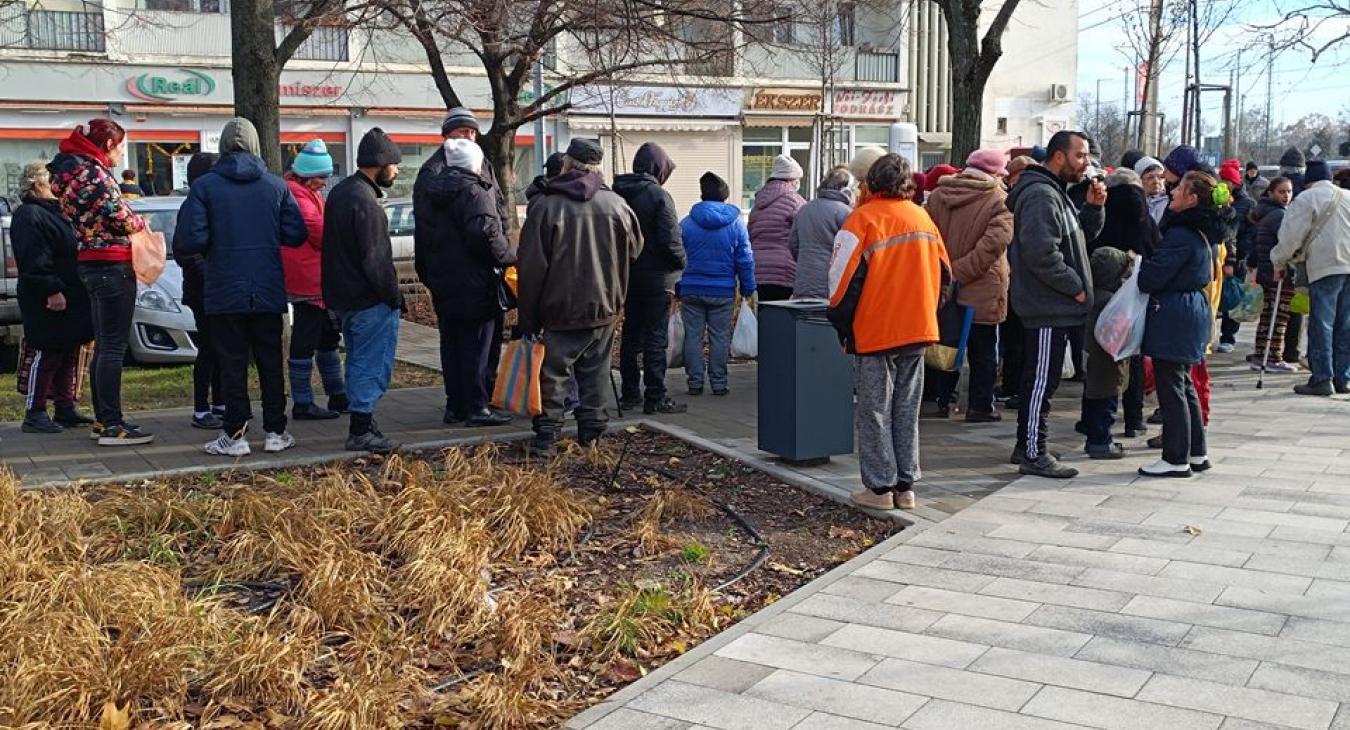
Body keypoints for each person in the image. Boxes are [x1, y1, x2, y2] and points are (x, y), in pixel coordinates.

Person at [175, 118, 308, 456]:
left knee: (231, 363)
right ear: (256, 145)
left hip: (224, 288)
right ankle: (276, 431)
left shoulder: (205, 187)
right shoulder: (276, 186)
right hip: (266, 286)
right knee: (270, 361)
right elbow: (296, 234)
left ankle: (235, 435)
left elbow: (190, 239)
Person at [827, 153, 950, 512]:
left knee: (874, 410)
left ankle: (879, 488)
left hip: (875, 330)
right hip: (918, 327)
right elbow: (945, 277)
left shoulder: (861, 221)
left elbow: (839, 287)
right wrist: (928, 313)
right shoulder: (923, 219)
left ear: (870, 182)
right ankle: (905, 486)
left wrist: (842, 325)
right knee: (907, 410)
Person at [519, 138, 643, 453]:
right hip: (604, 304)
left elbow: (532, 267)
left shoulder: (544, 206)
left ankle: (546, 438)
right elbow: (635, 249)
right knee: (596, 372)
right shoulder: (617, 204)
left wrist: (527, 318)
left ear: (567, 165)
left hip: (558, 307)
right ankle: (592, 438)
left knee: (554, 373)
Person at [1007, 130, 1105, 478]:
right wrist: (1076, 287)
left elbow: (1078, 240)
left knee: (1042, 380)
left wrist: (1093, 209)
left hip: (1054, 303)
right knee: (1040, 382)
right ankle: (1034, 451)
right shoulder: (1040, 195)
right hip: (1047, 304)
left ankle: (1028, 443)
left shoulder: (1055, 194)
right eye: (1080, 156)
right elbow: (1041, 253)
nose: (1086, 164)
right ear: (1059, 156)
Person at [48, 119, 153, 446]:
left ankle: (103, 418)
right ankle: (111, 423)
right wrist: (138, 221)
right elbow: (117, 214)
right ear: (109, 145)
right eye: (121, 147)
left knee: (104, 345)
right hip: (111, 265)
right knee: (112, 347)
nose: (122, 155)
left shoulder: (69, 173)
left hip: (91, 264)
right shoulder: (92, 174)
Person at [414, 107, 511, 400]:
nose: (469, 137)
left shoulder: (477, 165)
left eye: (472, 132)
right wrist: (505, 252)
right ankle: (476, 404)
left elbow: (500, 208)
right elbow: (485, 225)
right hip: (473, 271)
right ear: (446, 136)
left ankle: (458, 403)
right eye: (461, 132)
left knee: (456, 341)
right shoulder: (453, 174)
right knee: (477, 342)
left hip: (447, 272)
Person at [1137, 170, 1225, 477]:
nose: (1172, 192)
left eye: (1179, 189)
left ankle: (1175, 458)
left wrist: (1141, 269)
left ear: (1193, 199)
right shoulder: (1201, 232)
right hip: (1191, 310)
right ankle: (1196, 452)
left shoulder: (1181, 234)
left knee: (1171, 384)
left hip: (1175, 312)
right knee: (1184, 384)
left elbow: (1151, 277)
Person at [323, 128, 405, 453]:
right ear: (381, 163)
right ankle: (361, 429)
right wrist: (394, 297)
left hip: (344, 298)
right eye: (395, 164)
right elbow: (377, 259)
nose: (397, 171)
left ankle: (364, 423)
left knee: (357, 360)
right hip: (369, 299)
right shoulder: (366, 202)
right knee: (370, 364)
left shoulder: (341, 193)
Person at [923, 148, 1012, 422]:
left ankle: (942, 400)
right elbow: (993, 245)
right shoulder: (1000, 199)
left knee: (946, 342)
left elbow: (926, 236)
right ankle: (980, 406)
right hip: (983, 286)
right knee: (984, 349)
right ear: (996, 173)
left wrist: (947, 272)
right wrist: (961, 271)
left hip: (943, 286)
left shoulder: (938, 195)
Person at [11, 161, 94, 433]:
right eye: (52, 181)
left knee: (67, 350)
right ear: (38, 185)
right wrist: (51, 289)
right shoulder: (29, 214)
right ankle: (34, 412)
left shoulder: (58, 211)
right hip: (46, 294)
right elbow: (34, 257)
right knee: (47, 351)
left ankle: (65, 407)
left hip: (70, 291)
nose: (59, 186)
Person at [614, 142, 687, 415]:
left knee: (631, 335)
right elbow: (671, 240)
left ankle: (629, 394)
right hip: (658, 279)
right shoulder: (659, 196)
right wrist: (681, 263)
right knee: (656, 338)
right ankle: (655, 396)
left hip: (626, 276)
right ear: (659, 168)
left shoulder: (618, 193)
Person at [1272, 160, 1350, 396]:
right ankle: (1342, 377)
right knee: (1345, 324)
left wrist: (1279, 260)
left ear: (1307, 181)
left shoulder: (1306, 199)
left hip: (1325, 265)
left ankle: (1321, 378)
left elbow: (1291, 236)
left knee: (1321, 322)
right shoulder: (1348, 196)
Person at [283, 139, 347, 422]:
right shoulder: (298, 196)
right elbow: (320, 233)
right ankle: (303, 402)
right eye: (321, 176)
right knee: (306, 340)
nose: (324, 182)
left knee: (326, 338)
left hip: (316, 277)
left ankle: (337, 394)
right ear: (307, 175)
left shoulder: (305, 193)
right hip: (308, 280)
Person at [679, 172, 756, 396]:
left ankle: (694, 383)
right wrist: (747, 286)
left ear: (702, 195)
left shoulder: (686, 223)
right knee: (719, 337)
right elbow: (745, 257)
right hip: (722, 290)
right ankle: (719, 383)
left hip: (691, 288)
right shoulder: (736, 225)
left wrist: (677, 286)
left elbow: (676, 256)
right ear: (725, 196)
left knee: (692, 337)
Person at [174, 151, 225, 430]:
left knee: (220, 347)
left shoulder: (211, 202)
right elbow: (186, 251)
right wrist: (210, 275)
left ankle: (220, 402)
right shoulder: (194, 205)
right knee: (208, 347)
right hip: (202, 288)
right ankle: (201, 408)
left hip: (213, 285)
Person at [1081, 247, 1133, 459]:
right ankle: (1101, 442)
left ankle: (1092, 436)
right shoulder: (1112, 302)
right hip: (1108, 363)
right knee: (1106, 404)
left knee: (1092, 399)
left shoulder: (1093, 296)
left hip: (1093, 360)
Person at [1248, 177, 1296, 371]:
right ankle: (1274, 357)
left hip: (1267, 271)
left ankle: (1262, 354)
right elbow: (1288, 243)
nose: (1286, 196)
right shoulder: (1279, 216)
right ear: (1271, 193)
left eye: (1289, 191)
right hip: (1278, 271)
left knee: (1268, 315)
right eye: (1281, 192)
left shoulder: (1266, 213)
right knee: (1279, 315)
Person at [747, 154, 805, 302]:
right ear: (791, 179)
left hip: (757, 271)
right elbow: (801, 237)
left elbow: (750, 236)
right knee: (781, 321)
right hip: (784, 272)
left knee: (763, 319)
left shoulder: (757, 204)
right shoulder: (796, 202)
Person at [790, 168, 854, 299]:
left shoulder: (804, 209)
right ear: (846, 191)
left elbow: (793, 244)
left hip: (804, 282)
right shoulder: (846, 213)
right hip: (831, 285)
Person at [1217, 159, 1256, 353]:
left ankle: (1228, 336)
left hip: (1237, 256)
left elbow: (1247, 232)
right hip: (1220, 254)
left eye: (1226, 179)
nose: (1223, 183)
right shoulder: (1219, 199)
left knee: (1233, 296)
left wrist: (1242, 256)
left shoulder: (1247, 204)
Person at [1135, 156, 1169, 224]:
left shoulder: (1169, 203)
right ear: (1140, 180)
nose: (1156, 181)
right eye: (1150, 177)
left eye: (1160, 177)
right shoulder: (1135, 203)